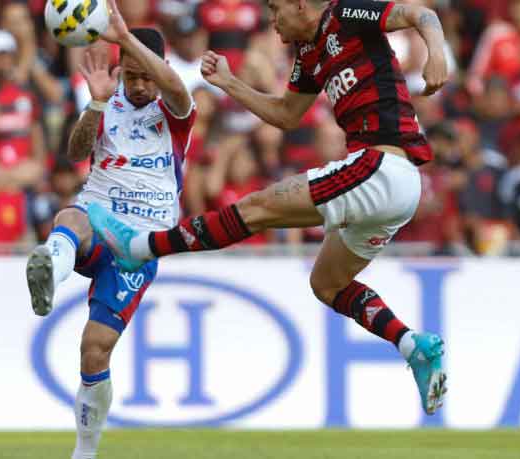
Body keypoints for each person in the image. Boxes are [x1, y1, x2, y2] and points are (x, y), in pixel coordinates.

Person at [87, 0, 448, 415]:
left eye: (276, 9)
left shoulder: (347, 13)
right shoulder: (309, 54)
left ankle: (140, 248)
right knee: (327, 285)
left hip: (381, 165)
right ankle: (412, 344)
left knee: (258, 206)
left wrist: (436, 52)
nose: (272, 20)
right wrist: (228, 82)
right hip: (394, 188)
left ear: (299, 4)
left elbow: (423, 14)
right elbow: (286, 115)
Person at [24, 2, 195, 458]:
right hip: (98, 216)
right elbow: (75, 152)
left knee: (94, 351)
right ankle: (51, 269)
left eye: (146, 76)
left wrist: (125, 38)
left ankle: (85, 450)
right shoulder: (107, 99)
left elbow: (177, 89)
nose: (138, 85)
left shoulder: (176, 112)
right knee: (71, 217)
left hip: (139, 243)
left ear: (158, 72)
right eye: (130, 75)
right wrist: (97, 102)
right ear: (119, 72)